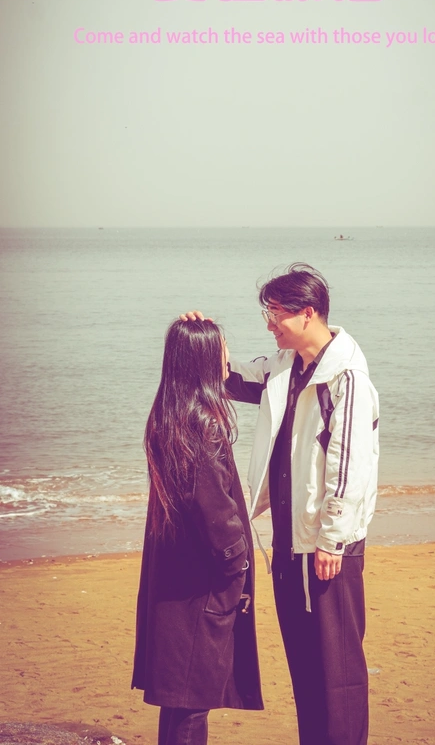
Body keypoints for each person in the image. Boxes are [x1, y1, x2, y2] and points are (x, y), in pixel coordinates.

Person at [181, 263, 380, 745]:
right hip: (289, 544)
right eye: (267, 313)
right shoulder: (284, 367)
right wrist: (206, 339)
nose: (270, 324)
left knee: (338, 669)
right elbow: (230, 380)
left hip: (328, 548)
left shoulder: (347, 378)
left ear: (307, 313)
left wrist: (333, 539)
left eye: (276, 314)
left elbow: (349, 465)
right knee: (305, 665)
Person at [131, 319, 263, 745]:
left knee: (180, 699)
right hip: (201, 587)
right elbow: (215, 512)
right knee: (192, 701)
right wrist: (238, 562)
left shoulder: (168, 416)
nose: (228, 360)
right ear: (204, 362)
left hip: (177, 579)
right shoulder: (203, 425)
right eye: (222, 352)